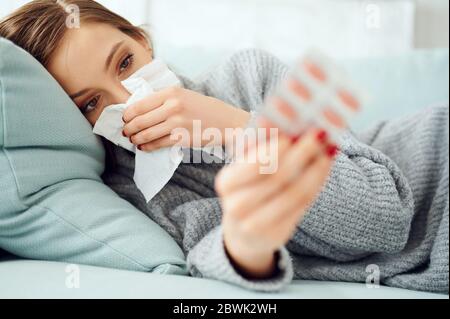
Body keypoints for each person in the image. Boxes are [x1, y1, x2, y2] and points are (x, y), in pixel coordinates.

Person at [0, 0, 448, 294]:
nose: (129, 100)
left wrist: (235, 129)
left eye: (125, 62)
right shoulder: (130, 198)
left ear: (143, 41)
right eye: (92, 103)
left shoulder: (248, 77)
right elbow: (209, 261)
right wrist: (247, 244)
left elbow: (384, 219)